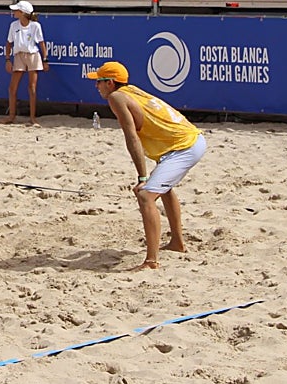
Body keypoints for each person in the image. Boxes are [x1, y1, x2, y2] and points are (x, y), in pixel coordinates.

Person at [87, 61, 207, 271]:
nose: (96, 86)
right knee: (164, 188)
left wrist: (142, 178)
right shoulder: (130, 90)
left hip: (184, 147)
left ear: (111, 83)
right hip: (187, 141)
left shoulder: (116, 97)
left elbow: (132, 137)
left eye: (99, 81)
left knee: (146, 196)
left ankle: (151, 262)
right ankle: (177, 243)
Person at [3, 0, 48, 125]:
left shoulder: (35, 26)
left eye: (16, 10)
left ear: (22, 13)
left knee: (32, 87)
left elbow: (41, 43)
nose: (13, 12)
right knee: (12, 87)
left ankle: (32, 118)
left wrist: (45, 60)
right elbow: (9, 43)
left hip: (32, 55)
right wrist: (7, 59)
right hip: (19, 56)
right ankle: (11, 116)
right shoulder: (13, 25)